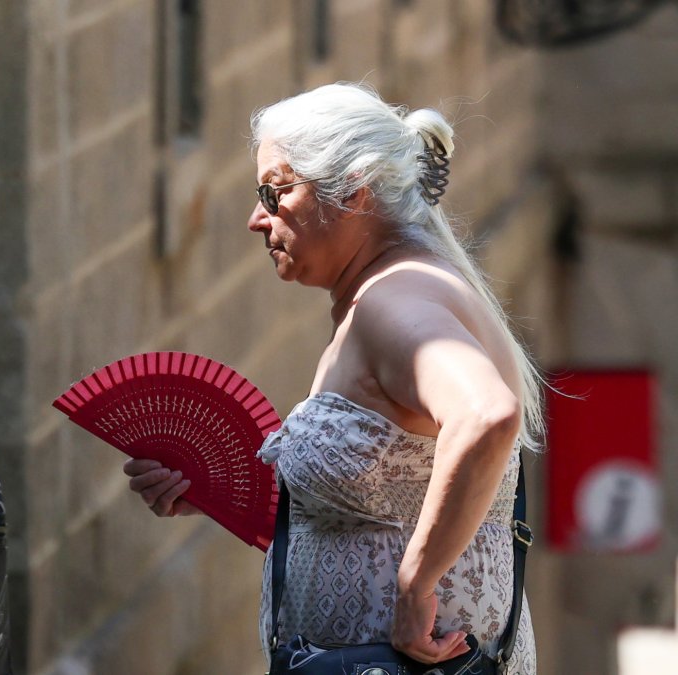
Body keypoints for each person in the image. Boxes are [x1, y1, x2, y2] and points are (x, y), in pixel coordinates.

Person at [124, 83, 539, 673]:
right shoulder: (386, 293)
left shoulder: (393, 301)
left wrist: (416, 585)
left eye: (277, 190)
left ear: (355, 191)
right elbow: (390, 492)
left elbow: (486, 415)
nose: (255, 218)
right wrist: (217, 492)